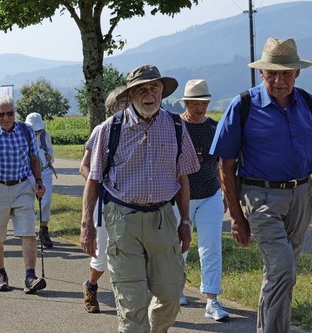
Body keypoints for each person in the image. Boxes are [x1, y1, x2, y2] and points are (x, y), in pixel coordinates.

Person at [210, 37, 312, 333]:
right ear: (261, 73)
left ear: (297, 73)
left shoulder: (309, 104)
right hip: (260, 196)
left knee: (280, 274)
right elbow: (225, 165)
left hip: (302, 195)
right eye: (272, 73)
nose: (279, 80)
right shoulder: (243, 105)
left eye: (286, 73)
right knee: (283, 269)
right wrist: (237, 217)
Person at [81, 64, 200, 332]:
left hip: (163, 219)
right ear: (131, 95)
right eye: (141, 89)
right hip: (123, 221)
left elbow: (183, 178)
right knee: (132, 305)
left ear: (161, 91)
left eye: (154, 87)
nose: (149, 94)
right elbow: (93, 178)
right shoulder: (110, 129)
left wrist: (185, 221)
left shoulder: (176, 126)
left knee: (170, 295)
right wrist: (87, 224)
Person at [0, 95, 47, 294]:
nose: (6, 118)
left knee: (28, 233)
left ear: (15, 113)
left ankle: (30, 277)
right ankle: (1, 275)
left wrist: (39, 182)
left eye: (10, 113)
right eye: (1, 114)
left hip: (23, 186)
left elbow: (34, 158)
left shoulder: (26, 130)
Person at [174, 79, 229, 321]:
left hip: (210, 195)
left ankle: (212, 301)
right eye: (195, 103)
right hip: (178, 197)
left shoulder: (215, 128)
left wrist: (226, 193)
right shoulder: (175, 126)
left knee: (211, 247)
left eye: (204, 103)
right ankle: (176, 290)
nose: (200, 108)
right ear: (186, 103)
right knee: (177, 247)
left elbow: (221, 164)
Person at [79, 86, 126, 314]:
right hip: (106, 201)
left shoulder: (142, 129)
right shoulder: (101, 130)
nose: (129, 107)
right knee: (101, 253)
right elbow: (84, 167)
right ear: (113, 108)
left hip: (131, 203)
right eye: (124, 103)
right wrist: (99, 183)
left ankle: (130, 299)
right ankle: (91, 285)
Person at [25, 112, 55, 248]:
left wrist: (50, 157)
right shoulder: (22, 136)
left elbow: (51, 152)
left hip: (45, 171)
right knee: (29, 203)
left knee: (46, 201)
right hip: (29, 173)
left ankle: (43, 229)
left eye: (38, 130)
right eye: (34, 130)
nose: (36, 133)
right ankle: (29, 231)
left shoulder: (45, 135)